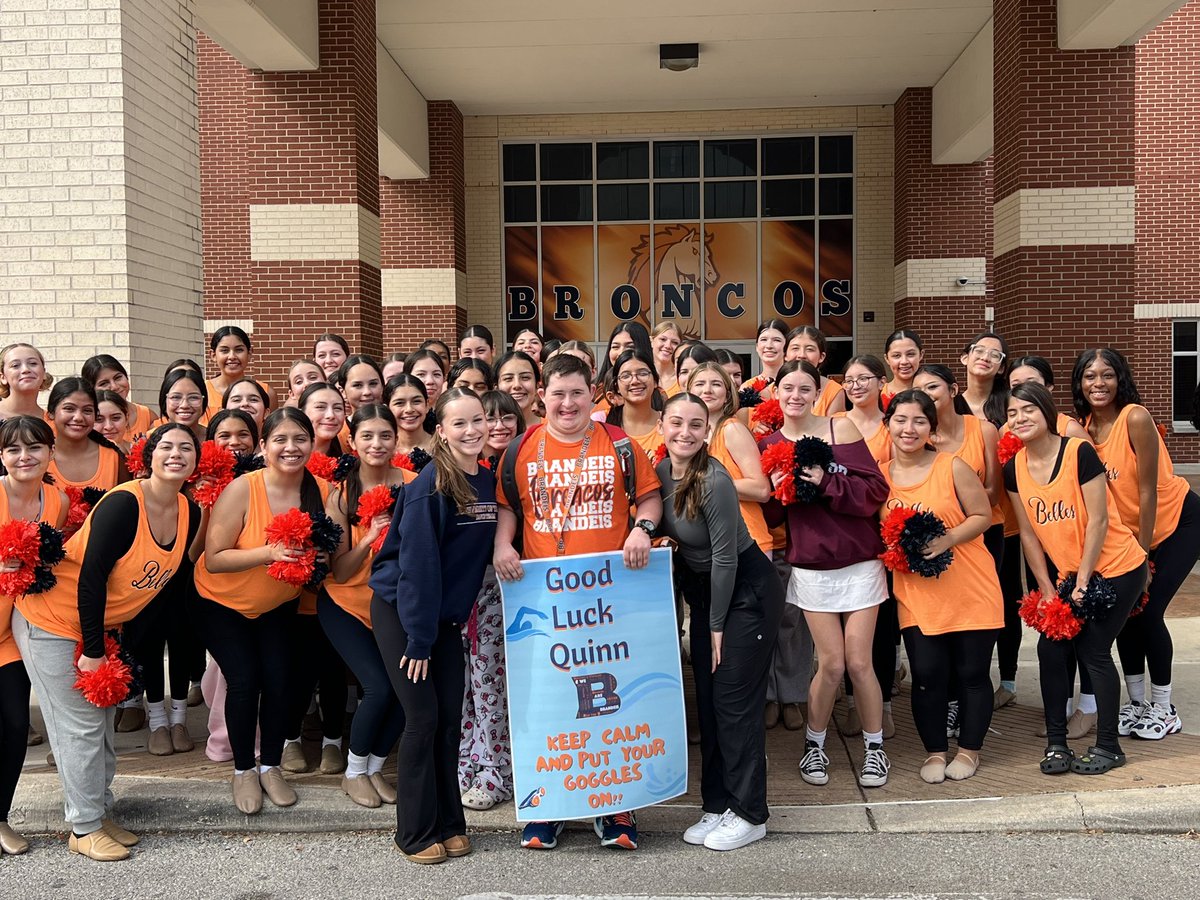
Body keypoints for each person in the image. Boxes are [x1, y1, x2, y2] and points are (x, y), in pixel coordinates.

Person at [493, 352, 662, 852]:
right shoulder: (521, 448)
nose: (568, 403)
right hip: (545, 597)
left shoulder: (622, 446)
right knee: (550, 700)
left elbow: (649, 499)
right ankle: (548, 806)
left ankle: (615, 805)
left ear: (594, 393)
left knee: (610, 701)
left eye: (578, 393)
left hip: (610, 595)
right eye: (558, 393)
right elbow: (510, 507)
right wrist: (503, 544)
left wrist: (642, 529)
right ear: (542, 394)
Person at [13, 423, 201, 861]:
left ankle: (99, 811)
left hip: (100, 628)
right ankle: (83, 827)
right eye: (166, 446)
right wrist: (95, 653)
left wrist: (120, 647)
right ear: (147, 455)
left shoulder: (188, 510)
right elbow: (91, 580)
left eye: (186, 447)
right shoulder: (124, 504)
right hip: (54, 620)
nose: (176, 454)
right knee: (78, 727)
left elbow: (161, 589)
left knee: (102, 728)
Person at [370, 388, 498, 864]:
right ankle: (415, 832)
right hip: (406, 615)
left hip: (444, 618)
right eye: (459, 423)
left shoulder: (484, 479)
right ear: (441, 431)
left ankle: (449, 822)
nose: (471, 431)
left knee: (449, 722)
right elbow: (418, 568)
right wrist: (420, 640)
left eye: (478, 420)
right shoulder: (430, 485)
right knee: (422, 720)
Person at [656, 393, 784, 851]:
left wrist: (712, 626)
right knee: (709, 703)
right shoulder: (660, 474)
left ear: (707, 431)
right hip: (708, 593)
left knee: (734, 703)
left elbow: (726, 559)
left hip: (745, 594)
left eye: (696, 424)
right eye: (677, 422)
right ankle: (717, 804)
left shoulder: (714, 479)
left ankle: (751, 813)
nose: (685, 433)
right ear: (663, 424)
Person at [1006, 382, 1149, 774]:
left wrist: (1083, 580)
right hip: (1069, 576)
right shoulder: (1013, 467)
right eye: (1013, 413)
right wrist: (1049, 590)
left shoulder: (1078, 451)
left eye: (1028, 410)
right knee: (1051, 650)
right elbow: (1029, 536)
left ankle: (1108, 746)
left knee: (1093, 651)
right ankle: (1057, 744)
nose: (1020, 418)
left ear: (1047, 411)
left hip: (1119, 567)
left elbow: (1100, 519)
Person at [761, 360, 890, 789]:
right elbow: (774, 515)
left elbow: (874, 492)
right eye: (787, 388)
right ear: (775, 394)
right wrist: (779, 488)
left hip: (859, 562)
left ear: (818, 392)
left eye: (804, 388)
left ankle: (875, 750)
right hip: (813, 566)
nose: (795, 395)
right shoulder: (771, 443)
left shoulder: (841, 430)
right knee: (831, 665)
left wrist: (825, 482)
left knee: (859, 662)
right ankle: (814, 746)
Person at [193, 408, 330, 814]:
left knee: (279, 678)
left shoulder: (323, 490)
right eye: (281, 440)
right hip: (219, 601)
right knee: (245, 677)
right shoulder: (242, 488)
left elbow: (331, 551)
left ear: (311, 443)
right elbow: (214, 558)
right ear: (264, 446)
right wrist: (268, 553)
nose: (291, 448)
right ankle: (242, 770)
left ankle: (270, 765)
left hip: (277, 604)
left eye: (300, 439)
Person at [1073, 348, 1200, 739]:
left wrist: (1142, 560)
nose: (1099, 384)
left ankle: (1164, 708)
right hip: (1130, 536)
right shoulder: (1083, 427)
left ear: (1120, 379)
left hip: (1177, 523)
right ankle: (1138, 703)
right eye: (1090, 376)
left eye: (1107, 375)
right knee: (1125, 615)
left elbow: (1148, 492)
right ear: (1080, 383)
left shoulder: (1135, 417)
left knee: (1149, 612)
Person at [883, 390, 1003, 783]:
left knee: (971, 673)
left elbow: (983, 515)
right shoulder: (880, 477)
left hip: (970, 588)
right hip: (917, 595)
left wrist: (948, 538)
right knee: (927, 674)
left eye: (919, 421)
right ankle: (935, 751)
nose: (909, 428)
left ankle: (969, 751)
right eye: (900, 419)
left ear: (932, 428)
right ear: (888, 424)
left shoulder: (952, 466)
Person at [321, 405, 411, 808]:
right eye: (368, 436)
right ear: (353, 441)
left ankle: (373, 768)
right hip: (345, 603)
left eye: (385, 436)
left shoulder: (414, 484)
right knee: (377, 686)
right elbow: (339, 572)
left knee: (405, 689)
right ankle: (353, 772)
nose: (377, 444)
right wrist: (368, 537)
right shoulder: (341, 495)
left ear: (396, 439)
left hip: (393, 606)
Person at [994, 357, 1091, 721]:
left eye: (1031, 385)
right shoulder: (1010, 430)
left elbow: (1095, 505)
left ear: (1048, 391)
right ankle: (1062, 706)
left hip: (1077, 543)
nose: (1021, 394)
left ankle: (1088, 707)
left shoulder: (1071, 433)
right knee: (1055, 625)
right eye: (1015, 386)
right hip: (1039, 539)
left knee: (1088, 632)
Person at [0, 416, 68, 857]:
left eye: (34, 448)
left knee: (13, 725)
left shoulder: (56, 501)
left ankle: (0, 817)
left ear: (50, 453)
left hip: (12, 631)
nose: (24, 457)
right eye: (12, 449)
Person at [458, 390, 524, 812]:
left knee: (502, 685)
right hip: (473, 591)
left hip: (524, 589)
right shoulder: (468, 472)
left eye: (506, 419)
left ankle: (503, 770)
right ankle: (478, 762)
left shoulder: (525, 465)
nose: (497, 426)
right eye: (489, 418)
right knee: (475, 685)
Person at [835, 355, 900, 737]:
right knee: (845, 632)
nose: (856, 385)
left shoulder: (893, 427)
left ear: (881, 383)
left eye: (864, 379)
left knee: (883, 628)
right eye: (849, 379)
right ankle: (851, 705)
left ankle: (884, 706)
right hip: (847, 535)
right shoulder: (834, 426)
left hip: (886, 536)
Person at [683, 362, 772, 557]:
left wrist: (709, 485)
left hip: (747, 543)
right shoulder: (689, 435)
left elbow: (761, 489)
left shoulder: (732, 429)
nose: (707, 390)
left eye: (716, 384)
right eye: (699, 384)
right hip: (711, 545)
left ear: (727, 394)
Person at [45, 379, 130, 491]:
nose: (78, 417)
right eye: (69, 409)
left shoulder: (114, 455)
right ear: (50, 414)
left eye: (87, 410)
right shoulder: (39, 456)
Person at [604, 350, 662, 460]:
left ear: (655, 381)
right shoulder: (604, 429)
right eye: (626, 376)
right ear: (617, 387)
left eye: (643, 373)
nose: (635, 381)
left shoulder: (670, 424)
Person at [82, 354, 154, 440]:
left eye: (118, 378)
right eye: (104, 383)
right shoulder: (84, 420)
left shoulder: (147, 415)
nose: (114, 386)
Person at [206, 326, 272, 420]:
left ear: (249, 353)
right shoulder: (202, 391)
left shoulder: (266, 392)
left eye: (239, 350)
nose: (232, 356)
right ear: (213, 355)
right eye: (224, 350)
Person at [593, 322, 653, 416]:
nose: (621, 352)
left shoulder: (658, 396)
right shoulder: (593, 391)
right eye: (615, 347)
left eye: (630, 347)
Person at [785, 326, 846, 416]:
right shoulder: (771, 390)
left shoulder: (834, 391)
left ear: (821, 357)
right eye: (795, 348)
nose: (801, 355)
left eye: (809, 349)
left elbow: (833, 428)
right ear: (785, 355)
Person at [0, 343, 52, 423]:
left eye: (33, 363)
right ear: (3, 377)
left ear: (44, 373)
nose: (25, 369)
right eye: (15, 365)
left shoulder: (54, 422)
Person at [385, 375, 433, 459]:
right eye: (399, 403)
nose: (409, 409)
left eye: (416, 401)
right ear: (387, 408)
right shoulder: (381, 451)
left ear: (427, 405)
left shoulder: (444, 448)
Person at [298, 383, 347, 458]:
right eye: (320, 407)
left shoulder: (349, 465)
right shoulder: (288, 461)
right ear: (302, 413)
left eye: (337, 408)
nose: (330, 415)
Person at [494, 351, 541, 427]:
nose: (517, 385)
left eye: (525, 377)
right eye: (508, 378)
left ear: (537, 386)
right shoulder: (487, 432)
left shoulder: (554, 430)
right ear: (496, 388)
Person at [882, 329, 924, 409]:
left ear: (921, 355)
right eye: (896, 355)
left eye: (910, 354)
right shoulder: (877, 395)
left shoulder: (930, 393)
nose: (904, 361)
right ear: (887, 358)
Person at [651, 322, 684, 396]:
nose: (668, 346)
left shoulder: (683, 378)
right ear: (651, 341)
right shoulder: (642, 375)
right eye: (663, 339)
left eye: (675, 342)